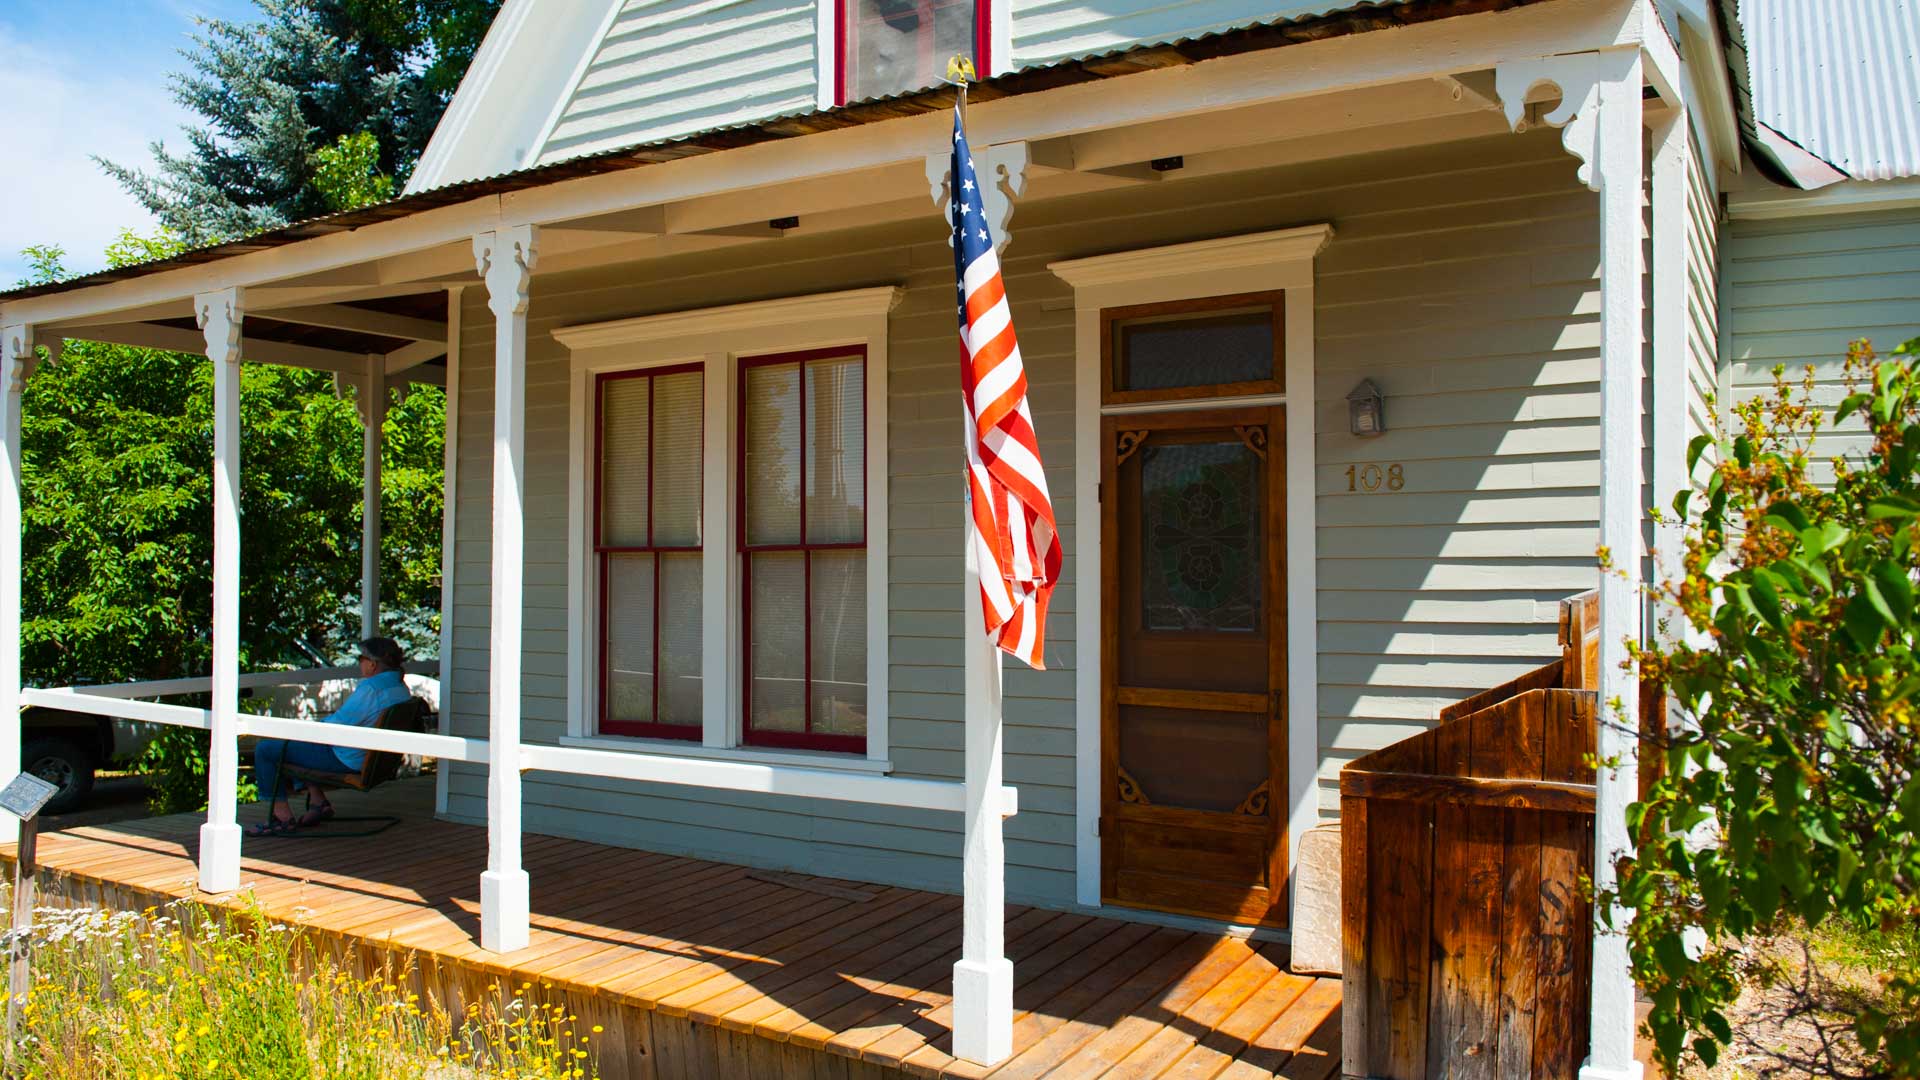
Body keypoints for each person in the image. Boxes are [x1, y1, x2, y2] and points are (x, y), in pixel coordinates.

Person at [247, 637, 413, 835]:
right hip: (374, 759)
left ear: (372, 664)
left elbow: (337, 725)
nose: (359, 662)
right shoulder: (400, 687)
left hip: (348, 758)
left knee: (266, 750)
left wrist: (307, 728)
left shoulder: (371, 689)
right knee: (299, 745)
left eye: (361, 658)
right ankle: (318, 803)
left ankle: (282, 818)